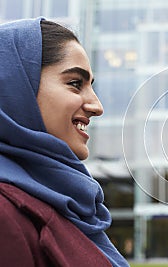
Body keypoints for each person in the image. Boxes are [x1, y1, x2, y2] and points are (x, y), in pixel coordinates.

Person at [0, 18, 129, 266]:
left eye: (91, 86)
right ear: (15, 88)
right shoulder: (6, 213)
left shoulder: (65, 203)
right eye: (74, 83)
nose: (97, 107)